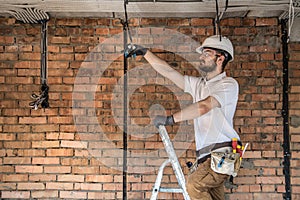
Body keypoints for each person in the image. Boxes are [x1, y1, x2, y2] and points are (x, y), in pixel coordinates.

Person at [124, 35, 240, 200]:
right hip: (207, 157)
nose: (201, 57)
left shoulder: (228, 85)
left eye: (207, 53)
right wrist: (145, 52)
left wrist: (171, 119)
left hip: (221, 154)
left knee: (194, 185)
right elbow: (169, 72)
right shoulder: (199, 85)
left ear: (220, 58)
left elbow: (204, 106)